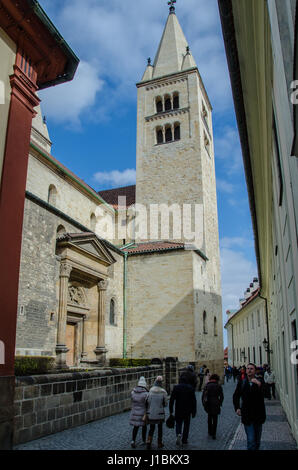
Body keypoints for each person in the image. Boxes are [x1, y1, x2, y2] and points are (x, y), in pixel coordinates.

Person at [233, 362, 266, 450]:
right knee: (251, 440)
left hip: (258, 415)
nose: (249, 370)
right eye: (248, 369)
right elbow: (236, 396)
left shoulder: (260, 381)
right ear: (246, 371)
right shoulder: (242, 382)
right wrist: (237, 408)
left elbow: (266, 393)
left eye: (251, 369)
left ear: (255, 371)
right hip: (247, 415)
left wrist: (259, 385)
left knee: (257, 441)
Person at [169, 375, 197, 446]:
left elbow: (172, 400)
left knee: (178, 423)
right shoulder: (190, 388)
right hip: (188, 410)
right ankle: (184, 439)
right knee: (186, 425)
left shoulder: (176, 388)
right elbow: (194, 401)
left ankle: (178, 434)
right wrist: (194, 411)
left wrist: (171, 410)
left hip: (178, 409)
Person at [146, 376, 168, 449]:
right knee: (160, 428)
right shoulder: (163, 391)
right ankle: (159, 443)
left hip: (151, 412)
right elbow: (165, 403)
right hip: (160, 413)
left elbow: (148, 401)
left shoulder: (151, 390)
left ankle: (149, 442)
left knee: (152, 428)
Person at [202, 374, 224, 439]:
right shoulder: (218, 386)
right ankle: (214, 433)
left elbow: (203, 396)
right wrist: (220, 403)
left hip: (208, 403)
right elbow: (222, 396)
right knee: (215, 419)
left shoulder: (207, 385)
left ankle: (210, 431)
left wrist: (204, 404)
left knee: (209, 417)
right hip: (216, 403)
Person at [129, 376, 149, 448]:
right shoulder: (146, 394)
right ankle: (144, 440)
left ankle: (133, 440)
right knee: (144, 426)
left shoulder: (133, 392)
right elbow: (147, 403)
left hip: (135, 412)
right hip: (143, 412)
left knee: (135, 427)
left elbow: (132, 401)